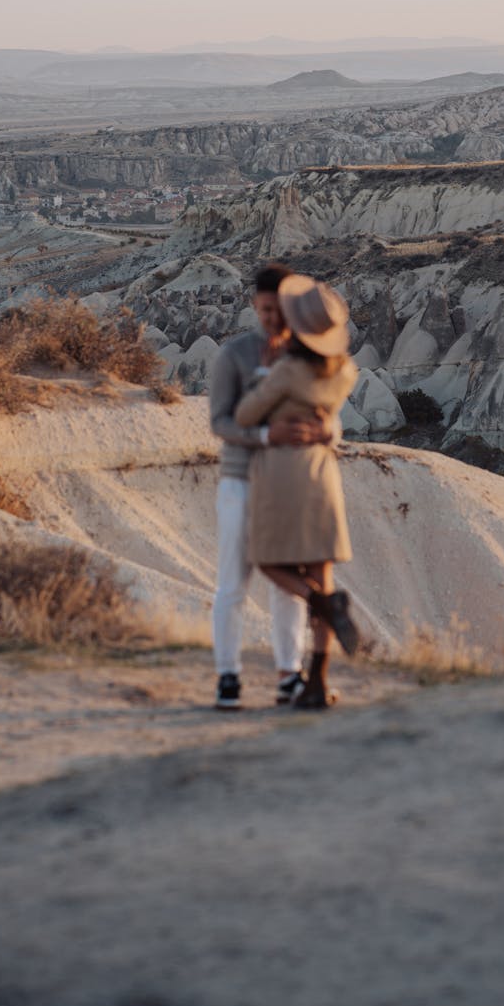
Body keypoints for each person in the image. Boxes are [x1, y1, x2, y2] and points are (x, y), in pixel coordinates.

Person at [209, 263, 336, 710]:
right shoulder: (235, 356)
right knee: (232, 584)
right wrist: (267, 436)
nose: (271, 319)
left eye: (278, 311)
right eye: (264, 310)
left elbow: (331, 417)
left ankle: (289, 675)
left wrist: (326, 434)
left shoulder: (305, 356)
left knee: (287, 586)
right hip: (242, 483)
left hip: (289, 487)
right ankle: (228, 677)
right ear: (254, 307)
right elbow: (219, 422)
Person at [235, 274, 359, 710]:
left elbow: (246, 414)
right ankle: (318, 683)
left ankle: (321, 603)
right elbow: (332, 419)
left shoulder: (287, 372)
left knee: (268, 561)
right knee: (322, 569)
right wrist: (327, 426)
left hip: (283, 476)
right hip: (324, 477)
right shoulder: (346, 371)